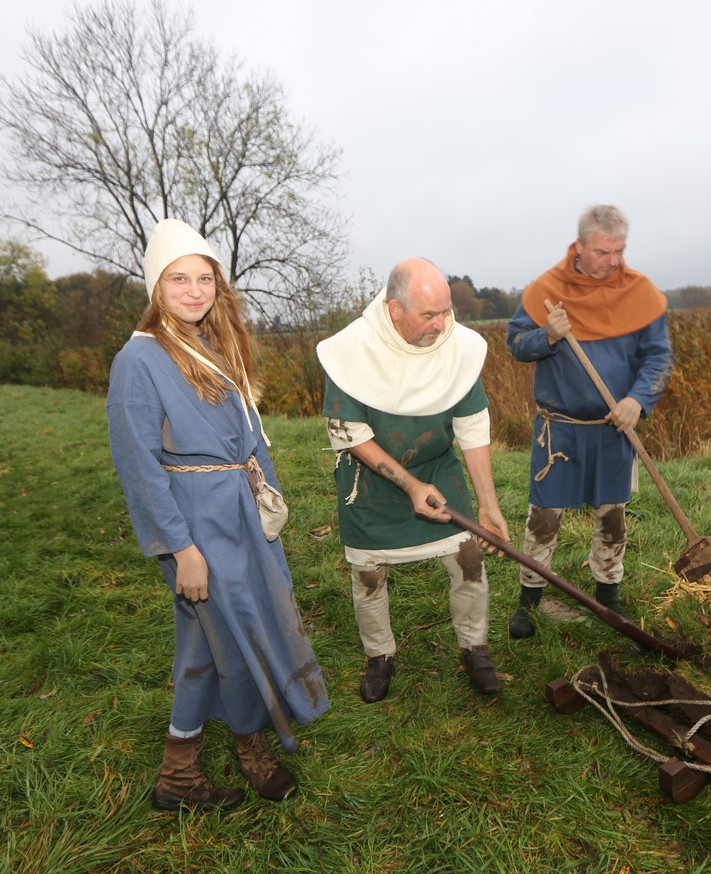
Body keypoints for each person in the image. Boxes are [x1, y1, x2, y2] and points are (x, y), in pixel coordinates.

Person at [107, 218, 329, 812]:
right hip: (196, 524)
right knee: (236, 634)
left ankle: (179, 772)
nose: (194, 290)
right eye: (178, 279)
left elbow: (246, 438)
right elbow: (139, 466)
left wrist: (264, 502)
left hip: (238, 513)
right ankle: (250, 746)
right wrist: (181, 550)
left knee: (211, 642)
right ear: (156, 285)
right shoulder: (139, 358)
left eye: (204, 278)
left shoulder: (210, 344)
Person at [316, 257, 508, 703]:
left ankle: (474, 647)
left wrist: (488, 505)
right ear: (394, 310)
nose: (442, 324)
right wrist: (410, 486)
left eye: (446, 311)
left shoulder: (457, 347)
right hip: (372, 479)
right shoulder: (351, 352)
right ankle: (379, 655)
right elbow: (349, 433)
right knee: (368, 575)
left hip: (437, 469)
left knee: (469, 559)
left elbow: (472, 427)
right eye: (429, 315)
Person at [504, 205, 672, 639]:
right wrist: (548, 335)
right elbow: (516, 344)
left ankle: (608, 594)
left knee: (612, 517)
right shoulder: (547, 290)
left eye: (619, 251)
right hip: (559, 429)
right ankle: (529, 599)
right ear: (579, 246)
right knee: (544, 517)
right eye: (603, 251)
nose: (613, 261)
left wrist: (637, 400)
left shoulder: (639, 293)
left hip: (613, 428)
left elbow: (657, 357)